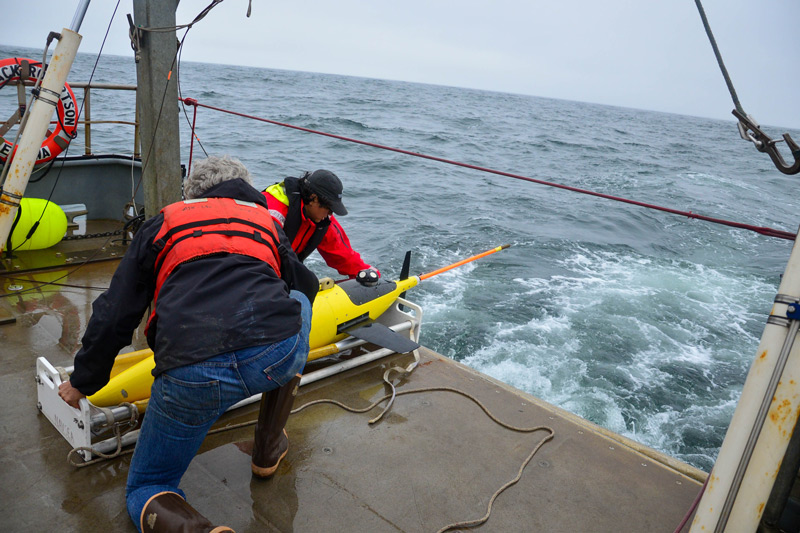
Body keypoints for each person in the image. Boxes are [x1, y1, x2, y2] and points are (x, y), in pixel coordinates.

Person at [58, 155, 318, 533]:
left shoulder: (163, 222)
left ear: (192, 193)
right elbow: (305, 283)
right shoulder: (267, 222)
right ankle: (268, 446)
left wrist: (84, 381)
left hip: (192, 371)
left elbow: (116, 312)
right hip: (273, 356)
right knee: (300, 303)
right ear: (244, 189)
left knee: (148, 485)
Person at [263, 169, 379, 280]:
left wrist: (367, 273)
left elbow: (341, 253)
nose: (330, 214)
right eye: (329, 208)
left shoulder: (320, 216)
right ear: (313, 198)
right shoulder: (273, 212)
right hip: (257, 271)